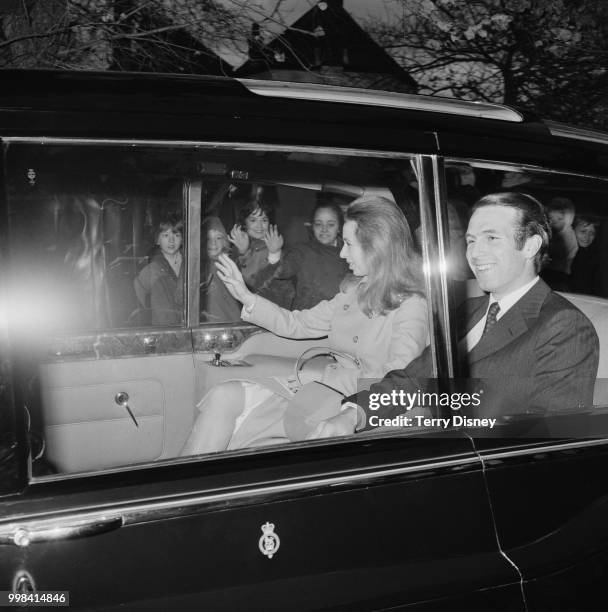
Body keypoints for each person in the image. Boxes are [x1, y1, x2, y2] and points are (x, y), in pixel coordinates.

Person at [309, 192, 600, 438]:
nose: (475, 253)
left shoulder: (564, 325)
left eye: (491, 238)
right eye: (472, 241)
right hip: (429, 443)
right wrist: (353, 413)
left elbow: (552, 439)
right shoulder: (468, 310)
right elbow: (412, 380)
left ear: (531, 245)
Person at [180, 196, 429, 455]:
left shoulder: (412, 305)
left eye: (348, 244)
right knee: (224, 395)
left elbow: (402, 382)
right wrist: (245, 296)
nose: (342, 254)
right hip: (322, 392)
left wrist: (350, 413)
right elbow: (296, 323)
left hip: (357, 411)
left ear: (375, 246)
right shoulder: (353, 293)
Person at [256, 201, 350, 309]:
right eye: (318, 224)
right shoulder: (301, 252)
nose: (324, 229)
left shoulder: (351, 253)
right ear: (312, 226)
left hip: (343, 318)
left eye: (330, 224)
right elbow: (272, 281)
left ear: (339, 227)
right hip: (307, 319)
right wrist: (274, 254)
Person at [134, 213, 184, 325]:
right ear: (157, 240)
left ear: (182, 239)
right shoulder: (148, 271)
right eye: (165, 235)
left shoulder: (193, 265)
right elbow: (145, 308)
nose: (171, 240)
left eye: (176, 235)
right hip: (164, 331)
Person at [229, 199, 284, 289]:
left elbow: (255, 284)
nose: (259, 225)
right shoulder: (237, 245)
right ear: (244, 223)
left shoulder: (274, 245)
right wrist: (242, 252)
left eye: (264, 220)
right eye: (253, 220)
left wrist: (274, 253)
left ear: (270, 223)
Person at [200, 216, 241, 322]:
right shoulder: (194, 267)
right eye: (208, 238)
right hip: (206, 329)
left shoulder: (232, 264)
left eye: (218, 238)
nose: (213, 242)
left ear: (224, 241)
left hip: (233, 327)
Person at [569, 215, 601, 295]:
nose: (587, 236)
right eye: (583, 231)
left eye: (592, 233)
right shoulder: (562, 254)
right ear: (572, 230)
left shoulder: (590, 256)